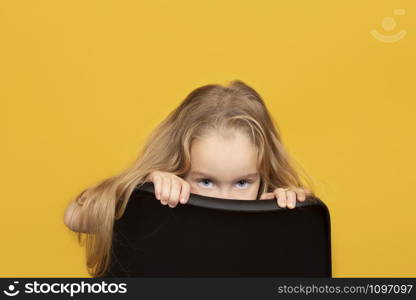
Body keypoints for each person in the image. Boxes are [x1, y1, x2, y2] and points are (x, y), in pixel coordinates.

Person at [63, 80, 316, 277]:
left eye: (242, 183)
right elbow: (74, 217)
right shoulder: (159, 207)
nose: (224, 200)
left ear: (262, 177)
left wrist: (289, 219)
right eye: (206, 182)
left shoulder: (271, 212)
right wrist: (141, 191)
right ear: (180, 169)